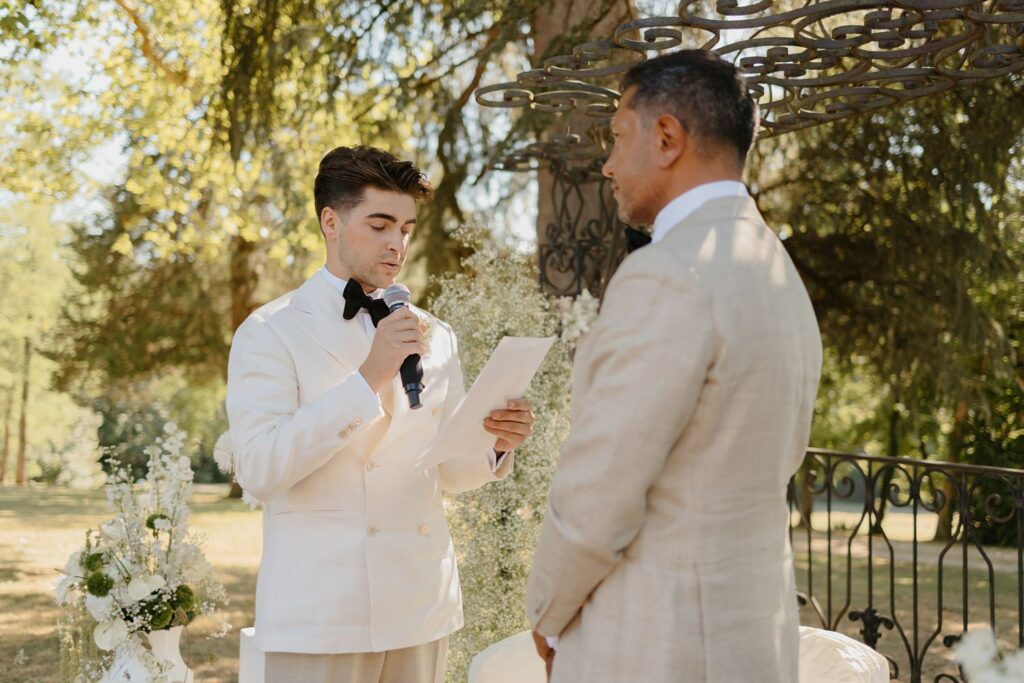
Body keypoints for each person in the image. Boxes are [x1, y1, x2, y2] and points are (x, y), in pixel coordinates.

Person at [525, 49, 822, 682]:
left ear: (666, 138)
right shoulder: (777, 268)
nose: (607, 164)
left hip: (657, 641)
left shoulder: (667, 273)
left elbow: (599, 490)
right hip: (751, 635)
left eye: (617, 137)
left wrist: (548, 610)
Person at [226, 145, 535, 683]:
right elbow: (259, 468)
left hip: (419, 602)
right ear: (331, 221)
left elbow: (449, 472)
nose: (397, 243)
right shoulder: (269, 331)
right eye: (380, 224)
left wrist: (496, 442)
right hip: (321, 611)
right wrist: (369, 377)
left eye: (407, 228)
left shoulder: (436, 335)